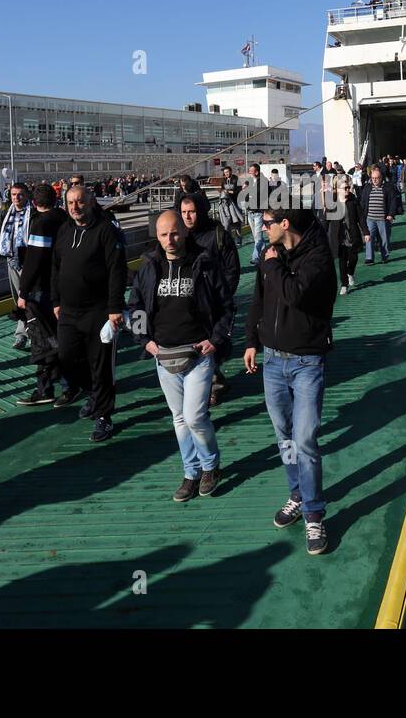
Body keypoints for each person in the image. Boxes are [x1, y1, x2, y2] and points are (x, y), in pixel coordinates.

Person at [243, 208, 337, 556]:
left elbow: (294, 293)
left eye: (268, 223)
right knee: (283, 435)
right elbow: (260, 299)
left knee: (305, 438)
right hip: (272, 359)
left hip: (306, 361)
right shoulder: (272, 255)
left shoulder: (318, 257)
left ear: (286, 224)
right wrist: (251, 340)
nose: (262, 228)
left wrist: (271, 265)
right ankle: (296, 491)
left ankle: (314, 512)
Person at [128, 209, 233, 501]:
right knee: (178, 418)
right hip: (164, 355)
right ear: (157, 236)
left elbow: (226, 306)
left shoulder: (204, 263)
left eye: (175, 232)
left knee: (195, 416)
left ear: (184, 231)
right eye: (163, 234)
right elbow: (135, 304)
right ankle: (191, 472)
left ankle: (211, 465)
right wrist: (144, 340)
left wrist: (216, 338)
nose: (170, 239)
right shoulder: (149, 266)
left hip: (198, 353)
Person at [52, 185, 127, 441]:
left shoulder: (105, 231)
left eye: (80, 202)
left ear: (91, 202)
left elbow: (117, 270)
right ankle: (93, 393)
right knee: (67, 358)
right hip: (69, 311)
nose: (75, 207)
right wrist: (55, 300)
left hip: (98, 310)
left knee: (101, 365)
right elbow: (56, 266)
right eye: (70, 202)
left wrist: (115, 308)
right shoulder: (64, 230)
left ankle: (103, 415)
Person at [177, 191, 239, 405]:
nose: (187, 217)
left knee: (212, 346)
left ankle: (213, 383)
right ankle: (210, 382)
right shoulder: (179, 235)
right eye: (183, 212)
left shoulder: (218, 234)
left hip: (213, 302)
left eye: (192, 212)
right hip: (186, 302)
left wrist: (223, 296)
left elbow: (232, 268)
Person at [13, 183, 69, 407]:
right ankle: (68, 385)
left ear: (34, 202)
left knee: (42, 342)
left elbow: (34, 260)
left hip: (39, 291)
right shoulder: (64, 219)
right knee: (59, 337)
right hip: (61, 287)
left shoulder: (40, 224)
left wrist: (23, 291)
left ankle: (45, 388)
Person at [0, 183, 33, 351]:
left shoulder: (32, 214)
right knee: (18, 300)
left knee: (28, 299)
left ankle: (27, 334)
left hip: (29, 262)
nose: (16, 198)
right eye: (13, 194)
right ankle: (23, 334)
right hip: (11, 260)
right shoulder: (6, 213)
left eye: (20, 194)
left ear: (26, 195)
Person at [326, 177, 364, 295]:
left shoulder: (353, 200)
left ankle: (350, 272)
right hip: (339, 236)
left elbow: (360, 218)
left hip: (352, 234)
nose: (348, 190)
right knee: (342, 260)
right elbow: (326, 220)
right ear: (337, 190)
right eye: (345, 188)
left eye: (348, 187)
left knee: (354, 257)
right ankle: (344, 285)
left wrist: (366, 232)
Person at [358, 165, 398, 264]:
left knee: (384, 239)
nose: (375, 180)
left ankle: (385, 256)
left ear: (381, 178)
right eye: (373, 178)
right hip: (370, 219)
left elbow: (393, 202)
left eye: (377, 178)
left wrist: (391, 214)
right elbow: (362, 203)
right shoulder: (367, 188)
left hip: (383, 219)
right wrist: (362, 216)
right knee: (369, 238)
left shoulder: (388, 187)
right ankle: (369, 258)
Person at [242, 163, 270, 266]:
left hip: (258, 212)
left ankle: (256, 258)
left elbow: (259, 195)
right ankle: (265, 254)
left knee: (258, 236)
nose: (249, 172)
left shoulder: (263, 182)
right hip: (250, 212)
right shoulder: (249, 181)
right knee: (256, 237)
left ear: (256, 172)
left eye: (251, 170)